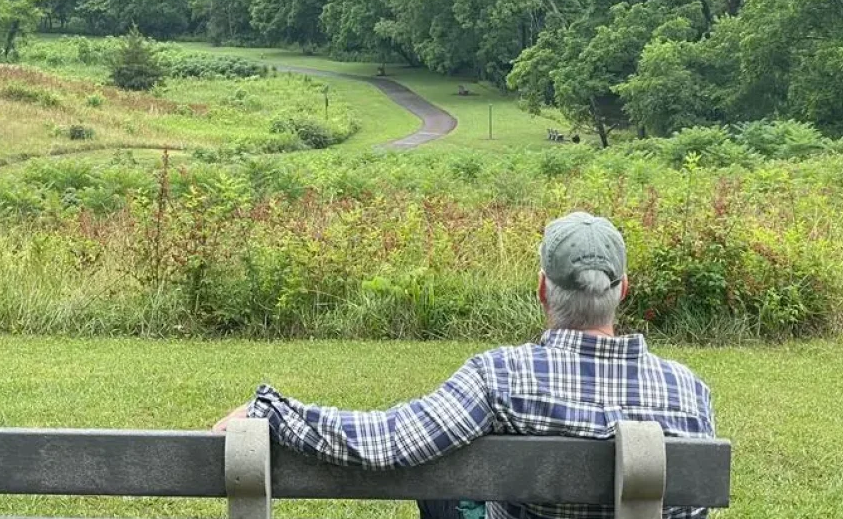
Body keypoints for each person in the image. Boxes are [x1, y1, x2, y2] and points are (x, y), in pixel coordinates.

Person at [213, 212, 717, 519]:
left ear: (543, 289)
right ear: (622, 290)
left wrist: (273, 412)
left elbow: (389, 441)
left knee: (443, 499)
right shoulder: (689, 392)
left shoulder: (503, 376)